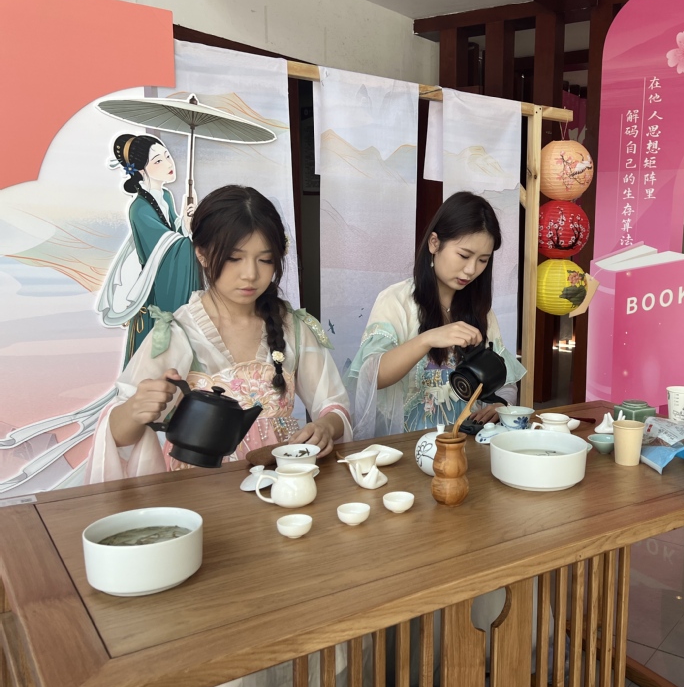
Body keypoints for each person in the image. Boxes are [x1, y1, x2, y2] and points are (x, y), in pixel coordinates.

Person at [88, 184, 352, 481]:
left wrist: (326, 426)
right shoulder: (178, 332)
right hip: (200, 490)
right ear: (201, 253)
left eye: (265, 260)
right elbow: (119, 435)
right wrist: (136, 409)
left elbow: (334, 405)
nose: (250, 274)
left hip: (282, 481)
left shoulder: (293, 328)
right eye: (234, 258)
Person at [346, 191, 525, 440]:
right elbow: (371, 377)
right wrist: (427, 339)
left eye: (483, 260)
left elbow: (503, 378)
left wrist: (500, 404)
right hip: (409, 444)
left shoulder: (481, 310)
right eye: (464, 255)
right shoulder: (396, 301)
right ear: (434, 243)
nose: (471, 269)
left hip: (468, 441)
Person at [99, 134, 202, 366]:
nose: (169, 163)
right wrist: (187, 235)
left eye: (167, 156)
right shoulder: (139, 208)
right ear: (140, 169)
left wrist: (186, 222)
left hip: (163, 280)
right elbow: (162, 250)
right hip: (155, 290)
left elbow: (172, 233)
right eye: (158, 161)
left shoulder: (165, 196)